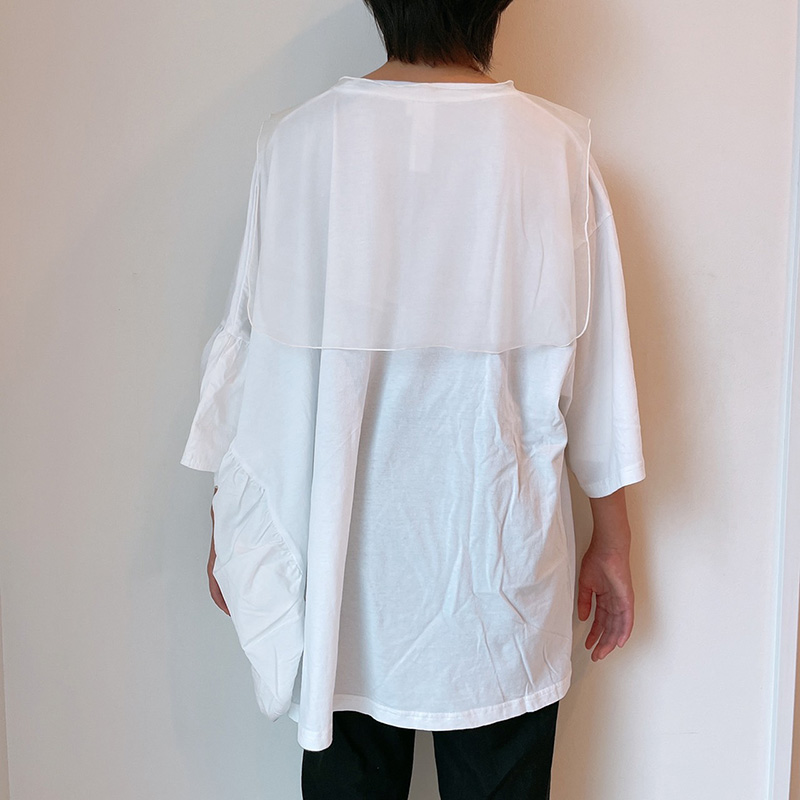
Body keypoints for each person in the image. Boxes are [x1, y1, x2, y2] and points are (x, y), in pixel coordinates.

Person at [180, 1, 646, 797]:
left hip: (340, 578)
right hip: (500, 579)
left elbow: (255, 360)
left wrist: (234, 518)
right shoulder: (556, 153)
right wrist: (613, 535)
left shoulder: (298, 144)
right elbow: (600, 374)